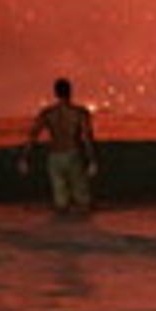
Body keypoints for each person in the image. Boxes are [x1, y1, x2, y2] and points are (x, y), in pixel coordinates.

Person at [18, 77, 99, 214]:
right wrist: (92, 160)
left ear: (55, 93)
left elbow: (33, 136)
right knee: (83, 200)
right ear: (70, 92)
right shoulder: (80, 113)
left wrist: (24, 158)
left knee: (60, 202)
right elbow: (87, 138)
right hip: (73, 154)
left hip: (54, 157)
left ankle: (62, 230)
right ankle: (83, 230)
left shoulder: (47, 114)